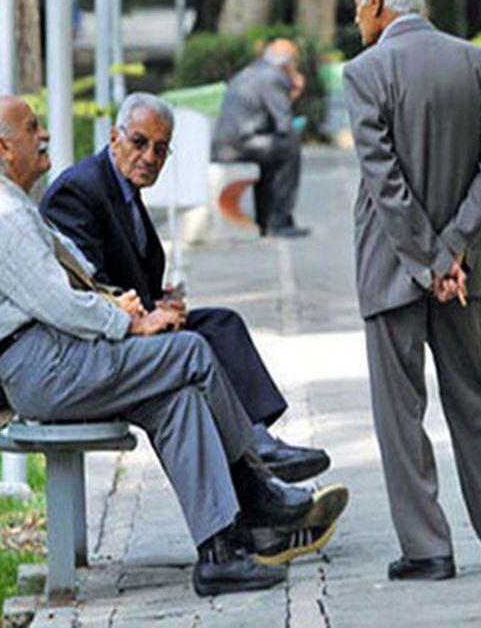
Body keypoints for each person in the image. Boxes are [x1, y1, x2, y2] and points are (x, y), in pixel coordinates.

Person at [0, 94, 347, 595]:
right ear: (3, 147)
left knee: (178, 398)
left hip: (51, 360)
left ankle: (219, 552)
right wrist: (129, 325)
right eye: (32, 128)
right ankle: (257, 490)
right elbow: (60, 304)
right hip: (47, 370)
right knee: (189, 351)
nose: (45, 136)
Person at [344, 0, 481, 581]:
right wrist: (452, 251)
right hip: (460, 270)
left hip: (394, 266)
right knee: (474, 400)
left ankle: (428, 549)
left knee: (401, 412)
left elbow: (385, 182)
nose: (355, 15)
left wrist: (427, 257)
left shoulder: (365, 73)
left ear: (376, 2)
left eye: (357, 1)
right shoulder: (475, 63)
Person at [40, 93, 332, 486]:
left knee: (222, 325)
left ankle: (258, 445)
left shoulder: (123, 190)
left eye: (161, 150)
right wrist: (145, 314)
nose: (150, 157)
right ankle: (257, 466)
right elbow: (86, 283)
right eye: (139, 143)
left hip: (134, 324)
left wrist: (160, 299)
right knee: (196, 357)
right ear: (114, 138)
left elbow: (125, 269)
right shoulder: (80, 190)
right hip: (100, 343)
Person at [212, 40, 309, 238]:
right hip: (242, 145)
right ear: (289, 64)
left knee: (274, 152)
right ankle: (279, 222)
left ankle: (265, 220)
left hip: (228, 145)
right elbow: (285, 125)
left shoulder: (252, 71)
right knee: (289, 146)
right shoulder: (274, 77)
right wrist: (294, 90)